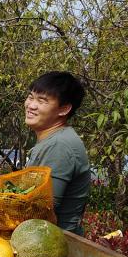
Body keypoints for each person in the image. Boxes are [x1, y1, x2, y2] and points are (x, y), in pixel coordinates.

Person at [24, 71, 90, 235]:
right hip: (40, 238)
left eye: (42, 101)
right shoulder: (52, 139)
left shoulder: (60, 146)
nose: (31, 105)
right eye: (31, 97)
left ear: (64, 109)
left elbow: (42, 210)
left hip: (56, 245)